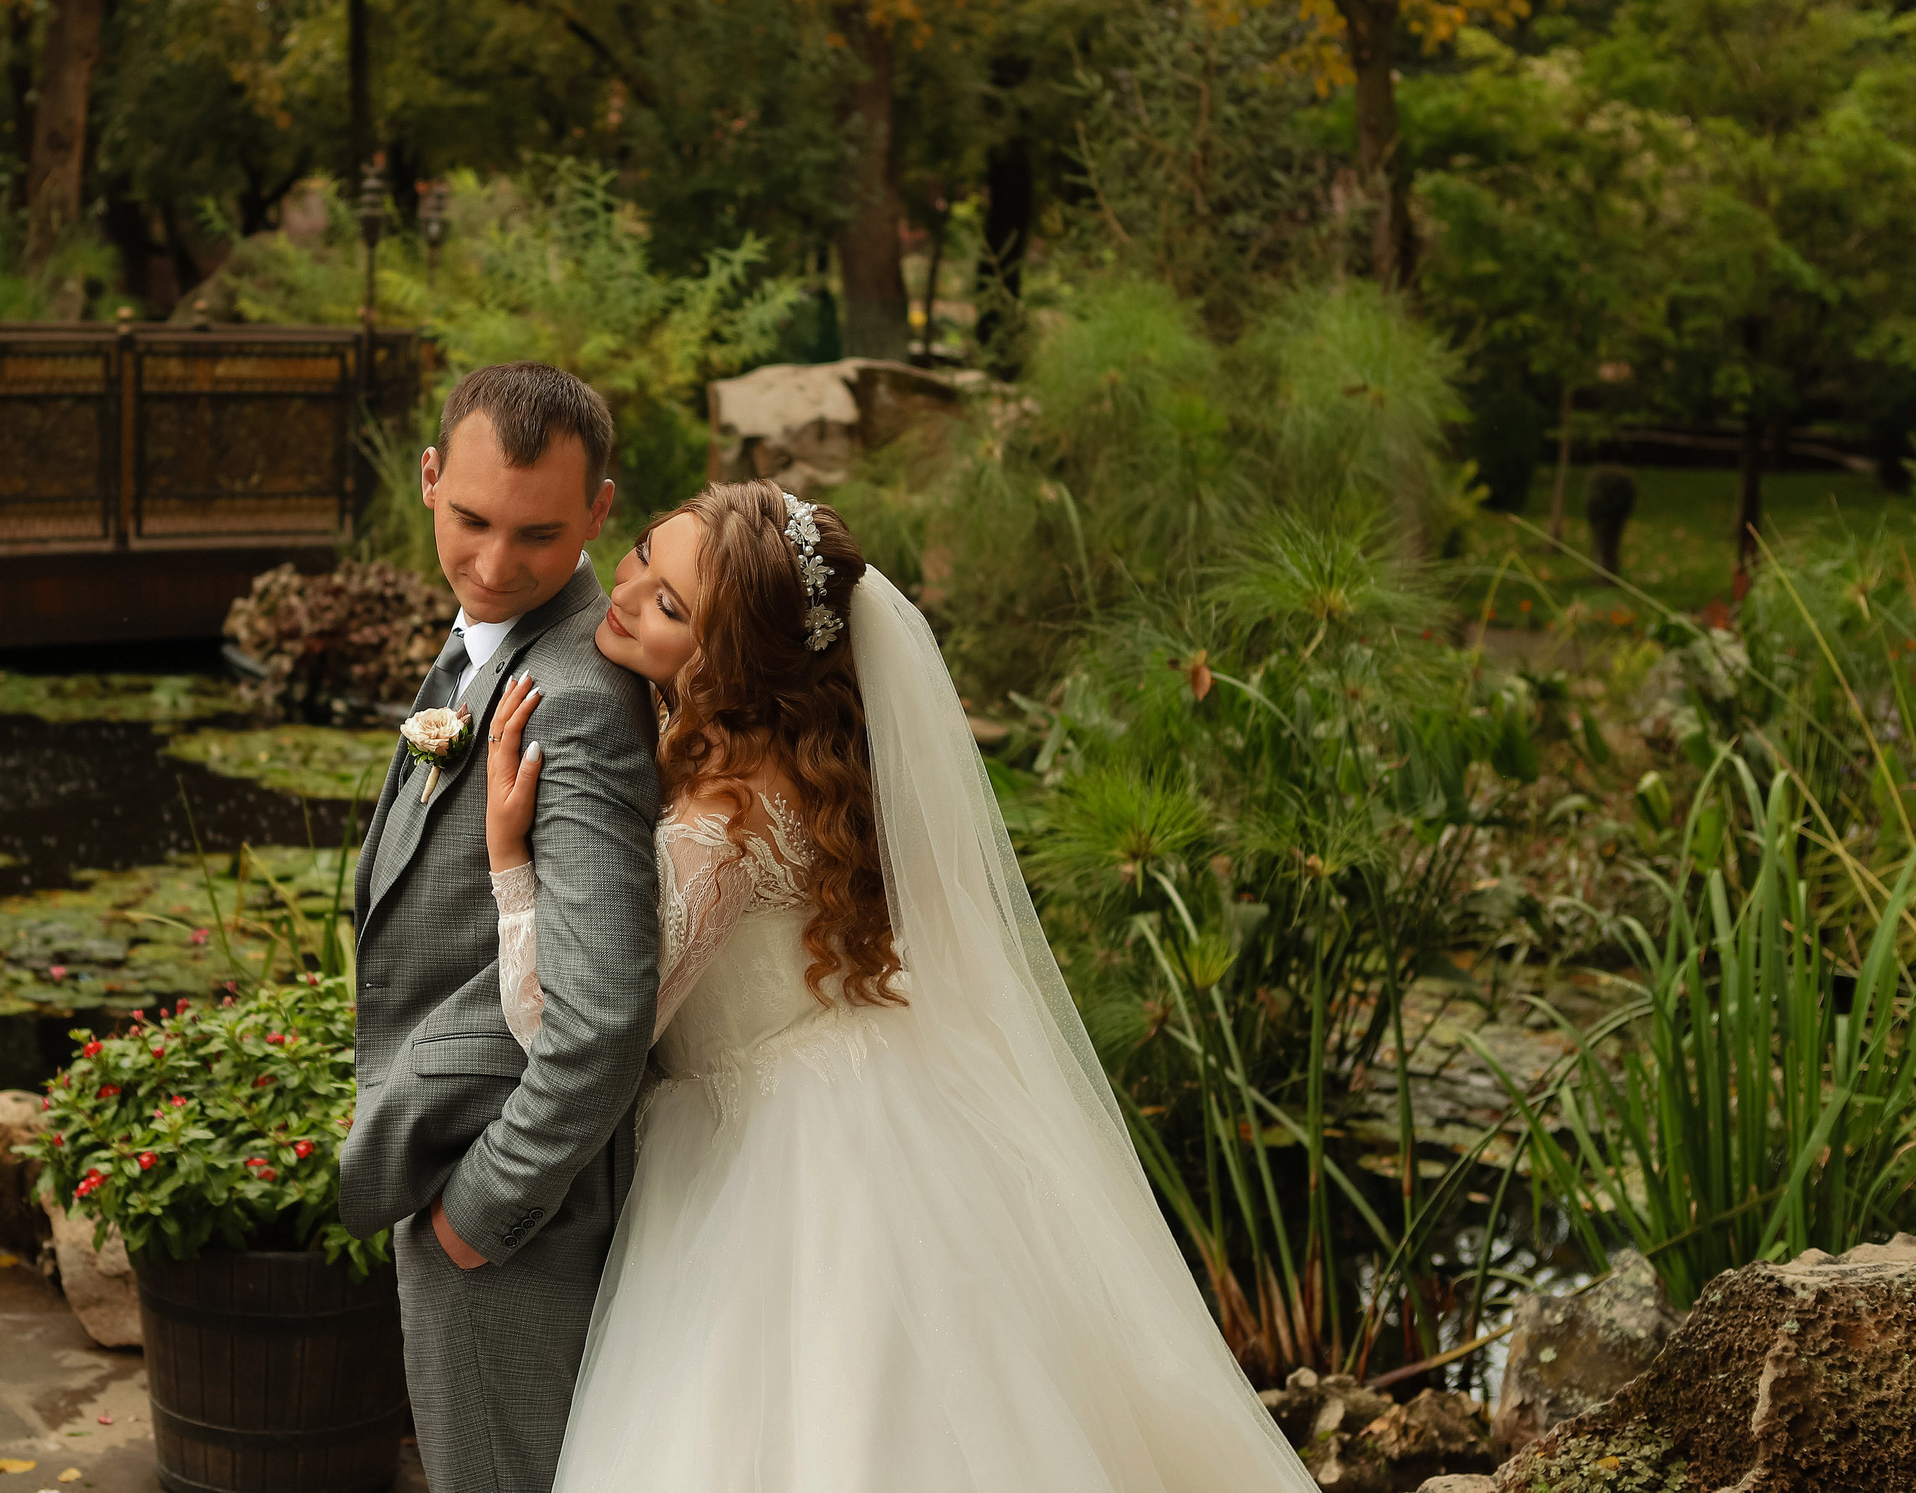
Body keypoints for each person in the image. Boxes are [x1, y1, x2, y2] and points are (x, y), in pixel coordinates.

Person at [479, 480, 1320, 1492]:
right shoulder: (797, 758)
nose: (626, 589)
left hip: (769, 1151)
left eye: (669, 607)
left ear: (731, 661)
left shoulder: (718, 832)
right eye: (646, 552)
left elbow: (565, 1030)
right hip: (874, 1083)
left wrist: (509, 868)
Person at [338, 362, 662, 1493]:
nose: (490, 564)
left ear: (597, 515)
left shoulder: (571, 698)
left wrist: (481, 1209)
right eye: (470, 519)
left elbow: (604, 1015)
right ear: (429, 478)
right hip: (454, 1157)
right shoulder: (498, 634)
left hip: (509, 1217)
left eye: (536, 536)